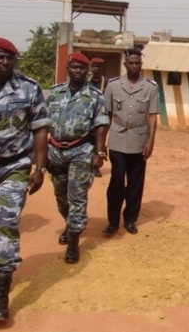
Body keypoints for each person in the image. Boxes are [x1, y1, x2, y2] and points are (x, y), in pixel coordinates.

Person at [0, 37, 49, 321]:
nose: (5, 63)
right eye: (0, 57)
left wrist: (39, 168)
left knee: (7, 225)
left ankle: (1, 291)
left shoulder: (29, 88)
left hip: (15, 167)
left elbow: (40, 130)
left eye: (10, 58)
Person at [46, 52, 109, 263]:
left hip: (80, 151)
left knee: (77, 197)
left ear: (87, 71)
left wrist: (99, 153)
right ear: (68, 69)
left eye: (82, 68)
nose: (78, 71)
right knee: (61, 197)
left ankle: (73, 242)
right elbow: (42, 123)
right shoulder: (55, 93)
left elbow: (101, 125)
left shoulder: (95, 95)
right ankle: (69, 222)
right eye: (74, 67)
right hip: (55, 152)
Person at [102, 48, 159, 235]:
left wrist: (151, 141)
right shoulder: (113, 85)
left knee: (135, 183)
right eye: (131, 63)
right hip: (117, 139)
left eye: (137, 63)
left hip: (138, 140)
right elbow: (108, 115)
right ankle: (112, 220)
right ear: (125, 64)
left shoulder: (150, 87)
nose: (134, 66)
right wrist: (102, 141)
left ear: (141, 65)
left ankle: (130, 219)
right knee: (116, 181)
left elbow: (152, 117)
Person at [89, 57, 107, 177]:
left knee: (99, 141)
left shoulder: (107, 82)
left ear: (102, 68)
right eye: (94, 66)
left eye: (98, 66)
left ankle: (95, 167)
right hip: (87, 115)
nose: (96, 69)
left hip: (100, 115)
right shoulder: (86, 81)